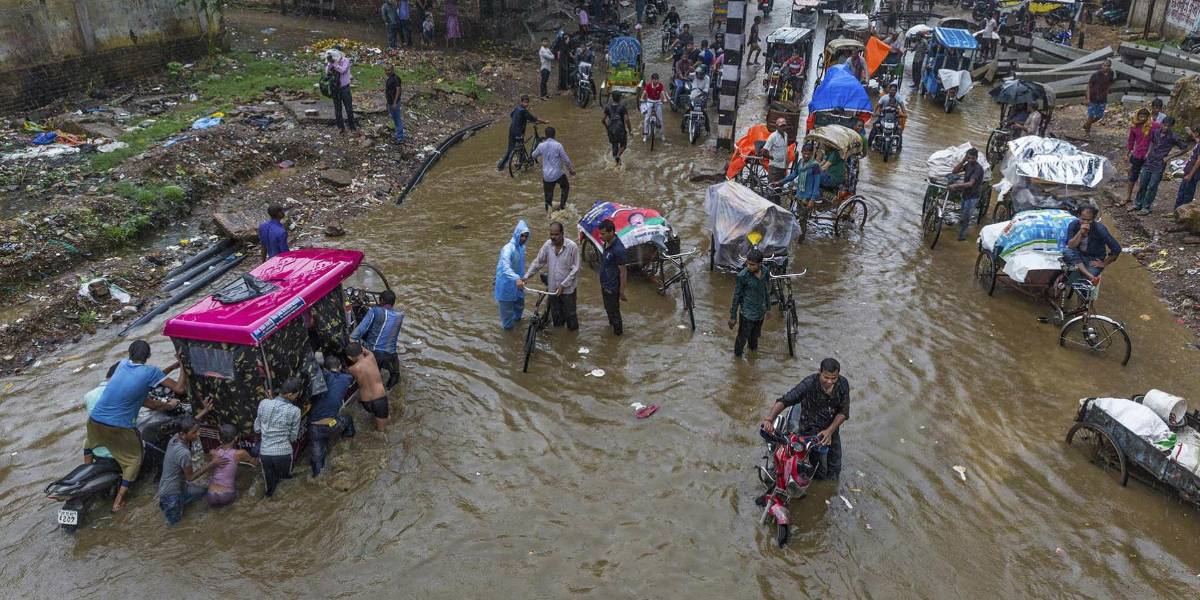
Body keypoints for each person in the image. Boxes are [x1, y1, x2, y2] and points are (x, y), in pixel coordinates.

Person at [85, 340, 187, 512]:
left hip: (94, 421)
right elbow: (179, 389)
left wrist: (173, 366)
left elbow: (150, 381)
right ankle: (118, 501)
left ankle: (87, 470)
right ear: (148, 356)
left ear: (129, 352)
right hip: (119, 427)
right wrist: (183, 364)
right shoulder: (150, 371)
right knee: (134, 460)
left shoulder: (122, 365)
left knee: (88, 444)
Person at [759, 358, 850, 480]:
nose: (830, 382)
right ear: (819, 372)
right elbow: (785, 400)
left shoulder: (843, 384)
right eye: (826, 377)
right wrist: (769, 419)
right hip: (809, 432)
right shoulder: (809, 384)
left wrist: (829, 431)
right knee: (813, 472)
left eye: (834, 378)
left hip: (831, 432)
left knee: (834, 471)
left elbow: (843, 412)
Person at [158, 416, 227, 525]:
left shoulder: (175, 438)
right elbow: (190, 477)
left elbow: (185, 423)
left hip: (178, 488)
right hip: (171, 495)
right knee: (175, 527)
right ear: (183, 434)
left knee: (203, 491)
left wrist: (204, 411)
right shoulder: (183, 453)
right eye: (194, 432)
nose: (198, 434)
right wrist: (212, 464)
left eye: (198, 430)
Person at [524, 221, 582, 331]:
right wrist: (526, 276)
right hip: (552, 290)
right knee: (557, 319)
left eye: (556, 234)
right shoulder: (547, 245)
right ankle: (559, 342)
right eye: (551, 234)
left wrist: (563, 285)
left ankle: (572, 342)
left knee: (571, 318)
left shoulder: (572, 247)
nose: (553, 237)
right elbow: (538, 262)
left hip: (567, 290)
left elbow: (576, 269)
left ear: (562, 234)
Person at [254, 377, 303, 498]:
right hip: (283, 453)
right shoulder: (295, 411)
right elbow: (293, 437)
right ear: (290, 394)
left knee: (270, 488)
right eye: (297, 394)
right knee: (286, 484)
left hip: (265, 453)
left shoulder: (263, 403)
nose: (297, 397)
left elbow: (257, 429)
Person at [308, 356, 357, 477]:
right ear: (340, 367)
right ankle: (347, 442)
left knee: (317, 465)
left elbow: (314, 369)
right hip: (333, 425)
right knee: (348, 419)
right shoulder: (347, 378)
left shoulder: (322, 378)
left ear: (325, 369)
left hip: (314, 430)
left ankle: (318, 476)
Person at [1133, 116, 1190, 215]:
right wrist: (1148, 153)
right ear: (1162, 124)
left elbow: (1185, 148)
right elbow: (1152, 142)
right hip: (1149, 161)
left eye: (1168, 126)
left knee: (1152, 186)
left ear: (1172, 126)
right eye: (1164, 125)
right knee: (1143, 184)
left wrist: (1169, 157)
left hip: (1159, 164)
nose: (1166, 128)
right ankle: (1138, 204)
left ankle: (1146, 207)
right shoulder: (1156, 132)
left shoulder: (1173, 137)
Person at [351, 288, 404, 389]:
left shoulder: (374, 311)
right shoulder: (400, 315)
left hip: (374, 354)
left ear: (381, 301)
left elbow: (358, 332)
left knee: (372, 383)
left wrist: (351, 340)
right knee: (395, 378)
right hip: (391, 355)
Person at [1064, 205, 1121, 285]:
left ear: (1093, 219)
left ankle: (1088, 276)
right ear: (1078, 216)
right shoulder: (1073, 225)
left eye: (1089, 220)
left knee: (1084, 285)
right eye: (1083, 219)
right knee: (1067, 252)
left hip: (1093, 259)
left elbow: (1116, 249)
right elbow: (1071, 246)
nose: (1086, 222)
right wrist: (1080, 233)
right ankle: (1090, 276)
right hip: (1079, 254)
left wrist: (1103, 263)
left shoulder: (1100, 229)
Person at [728, 249, 770, 357]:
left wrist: (768, 308)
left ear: (760, 264)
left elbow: (766, 290)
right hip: (747, 313)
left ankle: (752, 361)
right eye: (748, 263)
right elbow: (736, 297)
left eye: (752, 265)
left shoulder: (765, 272)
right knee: (742, 339)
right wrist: (733, 316)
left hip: (760, 312)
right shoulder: (742, 276)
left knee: (754, 339)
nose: (749, 266)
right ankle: (737, 362)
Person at [205, 424, 256, 507]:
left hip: (210, 494)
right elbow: (253, 463)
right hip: (226, 494)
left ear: (219, 438)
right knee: (240, 491)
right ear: (236, 438)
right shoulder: (240, 453)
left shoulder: (213, 452)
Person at [495, 220, 531, 329]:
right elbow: (505, 267)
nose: (524, 238)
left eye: (526, 236)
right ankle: (509, 341)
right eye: (522, 236)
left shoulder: (521, 248)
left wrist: (523, 277)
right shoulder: (507, 249)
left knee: (519, 308)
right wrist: (516, 278)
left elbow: (519, 266)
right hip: (506, 286)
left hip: (518, 284)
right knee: (507, 320)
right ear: (517, 234)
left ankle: (518, 331)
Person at [531, 126, 576, 211]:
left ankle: (548, 212)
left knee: (548, 196)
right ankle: (562, 206)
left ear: (545, 135)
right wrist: (571, 170)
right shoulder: (558, 145)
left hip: (546, 176)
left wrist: (539, 149)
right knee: (565, 187)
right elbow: (566, 160)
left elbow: (533, 155)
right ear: (554, 135)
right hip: (558, 174)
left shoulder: (541, 145)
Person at [496, 95, 546, 172]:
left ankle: (500, 166)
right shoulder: (524, 111)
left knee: (510, 149)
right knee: (521, 146)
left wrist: (522, 120)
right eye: (525, 102)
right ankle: (523, 162)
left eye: (527, 103)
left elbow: (512, 115)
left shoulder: (517, 108)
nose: (526, 104)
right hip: (518, 133)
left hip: (512, 130)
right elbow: (533, 119)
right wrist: (544, 122)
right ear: (521, 102)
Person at [347, 342, 390, 431]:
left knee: (374, 415)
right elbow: (366, 351)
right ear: (362, 350)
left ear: (350, 357)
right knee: (382, 428)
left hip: (366, 402)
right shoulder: (371, 357)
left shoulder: (352, 369)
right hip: (379, 400)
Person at [1120, 108, 1156, 208]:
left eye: (1145, 115)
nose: (1143, 117)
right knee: (1133, 176)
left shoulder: (1153, 126)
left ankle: (1141, 200)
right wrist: (1127, 154)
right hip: (1137, 154)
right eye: (1141, 115)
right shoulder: (1134, 126)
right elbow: (1130, 141)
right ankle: (1128, 196)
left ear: (1148, 116)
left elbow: (1160, 135)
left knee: (1145, 178)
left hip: (1149, 156)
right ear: (1138, 115)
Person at [597, 219, 627, 336]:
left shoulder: (618, 249)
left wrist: (622, 291)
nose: (601, 236)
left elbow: (623, 272)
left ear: (611, 232)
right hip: (605, 284)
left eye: (603, 234)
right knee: (608, 309)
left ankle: (617, 336)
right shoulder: (607, 243)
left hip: (612, 287)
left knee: (614, 312)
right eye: (600, 233)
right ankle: (612, 328)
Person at [949, 148, 985, 241]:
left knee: (966, 217)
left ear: (976, 158)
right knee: (963, 213)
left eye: (972, 158)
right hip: (965, 194)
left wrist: (956, 185)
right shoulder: (968, 164)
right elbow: (955, 171)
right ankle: (961, 229)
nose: (970, 160)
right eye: (968, 158)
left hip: (972, 196)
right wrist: (963, 161)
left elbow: (970, 184)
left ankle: (962, 237)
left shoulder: (978, 169)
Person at [779, 143, 822, 212]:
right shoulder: (801, 162)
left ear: (812, 154)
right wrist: (781, 182)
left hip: (808, 197)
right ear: (801, 152)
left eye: (809, 154)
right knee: (798, 213)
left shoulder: (815, 165)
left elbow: (817, 183)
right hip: (799, 194)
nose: (806, 156)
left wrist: (812, 199)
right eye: (804, 153)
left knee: (803, 218)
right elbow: (794, 174)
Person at [325, 50, 356, 133]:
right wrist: (330, 64)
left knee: (349, 108)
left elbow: (342, 70)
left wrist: (335, 64)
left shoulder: (346, 61)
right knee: (337, 109)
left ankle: (352, 127)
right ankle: (340, 127)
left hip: (344, 88)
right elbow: (327, 72)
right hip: (335, 89)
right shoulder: (331, 61)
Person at [1082, 60, 1115, 138]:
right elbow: (1089, 86)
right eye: (1104, 65)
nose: (1106, 67)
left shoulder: (1111, 73)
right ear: (1101, 65)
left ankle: (1086, 125)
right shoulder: (1096, 75)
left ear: (1110, 67)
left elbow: (1110, 83)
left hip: (1102, 98)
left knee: (1099, 116)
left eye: (1108, 66)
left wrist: (1108, 90)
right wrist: (1088, 98)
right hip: (1093, 98)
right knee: (1091, 116)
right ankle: (1087, 133)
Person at [868, 83, 906, 148]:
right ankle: (869, 143)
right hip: (883, 116)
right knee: (875, 126)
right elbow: (878, 106)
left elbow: (903, 107)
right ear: (889, 90)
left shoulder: (898, 98)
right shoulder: (884, 98)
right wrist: (874, 113)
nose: (893, 92)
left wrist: (905, 114)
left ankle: (899, 146)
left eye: (894, 90)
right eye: (891, 90)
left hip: (894, 117)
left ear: (896, 91)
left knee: (899, 129)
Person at [1174, 130, 1200, 210]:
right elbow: (1196, 139)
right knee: (1182, 192)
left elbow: (1199, 161)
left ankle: (1183, 213)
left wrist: (1190, 175)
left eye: (1195, 132)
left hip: (1193, 174)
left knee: (1187, 194)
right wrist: (1191, 133)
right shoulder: (1198, 142)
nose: (1194, 134)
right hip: (1188, 171)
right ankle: (1176, 211)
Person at [603, 93, 631, 164]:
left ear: (612, 98)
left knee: (614, 144)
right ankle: (618, 156)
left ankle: (616, 162)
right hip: (620, 128)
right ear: (620, 98)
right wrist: (630, 130)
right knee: (623, 145)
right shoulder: (622, 107)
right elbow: (627, 120)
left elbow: (603, 120)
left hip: (611, 128)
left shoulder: (607, 107)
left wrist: (607, 128)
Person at [761, 117, 790, 185]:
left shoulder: (786, 135)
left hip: (783, 167)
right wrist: (773, 158)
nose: (783, 128)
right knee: (772, 188)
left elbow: (785, 150)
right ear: (776, 127)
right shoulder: (773, 137)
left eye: (784, 126)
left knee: (779, 188)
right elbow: (763, 151)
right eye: (781, 126)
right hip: (774, 168)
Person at [639, 73, 666, 143]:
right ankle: (645, 135)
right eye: (654, 80)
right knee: (646, 119)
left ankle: (662, 135)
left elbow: (662, 93)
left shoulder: (660, 85)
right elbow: (644, 93)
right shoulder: (648, 85)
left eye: (657, 79)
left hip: (658, 102)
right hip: (649, 102)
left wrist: (664, 99)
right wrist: (641, 98)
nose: (656, 81)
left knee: (660, 119)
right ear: (652, 80)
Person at [385, 65, 404, 143]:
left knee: (397, 119)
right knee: (395, 118)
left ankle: (400, 138)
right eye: (386, 70)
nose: (387, 72)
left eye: (389, 70)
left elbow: (398, 90)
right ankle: (398, 135)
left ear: (393, 70)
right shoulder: (390, 78)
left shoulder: (396, 78)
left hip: (394, 103)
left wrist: (395, 102)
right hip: (390, 102)